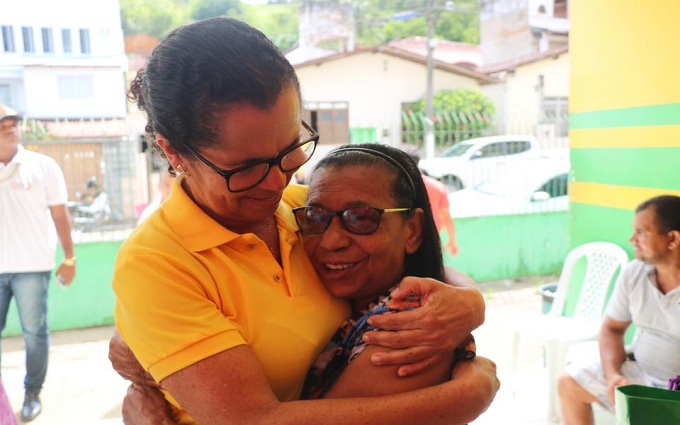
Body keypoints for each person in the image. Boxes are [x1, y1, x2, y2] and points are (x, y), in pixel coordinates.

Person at [111, 17, 495, 425]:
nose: (276, 182)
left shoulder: (307, 211)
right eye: (247, 168)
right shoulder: (157, 263)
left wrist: (470, 300)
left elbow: (393, 251)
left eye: (290, 148)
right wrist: (467, 395)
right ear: (174, 153)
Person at [298, 143, 476, 400]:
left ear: (412, 231)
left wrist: (476, 391)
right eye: (315, 216)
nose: (331, 241)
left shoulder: (411, 331)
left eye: (360, 218)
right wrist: (471, 295)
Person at [557, 195, 680, 425]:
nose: (632, 239)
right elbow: (612, 329)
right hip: (638, 374)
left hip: (676, 391)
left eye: (641, 232)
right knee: (569, 383)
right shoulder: (634, 273)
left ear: (672, 239)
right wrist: (613, 375)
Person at [0, 104, 77, 422]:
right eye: (2, 125)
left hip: (32, 266)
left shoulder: (43, 166)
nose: (10, 128)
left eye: (14, 123)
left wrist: (69, 257)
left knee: (34, 333)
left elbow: (60, 214)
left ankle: (32, 392)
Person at [407, 149, 458, 256]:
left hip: (407, 240)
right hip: (431, 239)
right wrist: (452, 240)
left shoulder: (400, 187)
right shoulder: (437, 187)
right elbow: (446, 217)